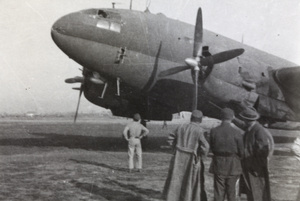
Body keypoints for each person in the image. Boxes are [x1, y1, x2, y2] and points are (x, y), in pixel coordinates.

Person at [162, 110, 210, 201]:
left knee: (176, 178)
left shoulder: (180, 127)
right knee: (189, 180)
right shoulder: (200, 131)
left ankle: (173, 197)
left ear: (191, 118)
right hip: (191, 158)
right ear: (200, 120)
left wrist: (175, 149)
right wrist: (202, 157)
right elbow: (206, 147)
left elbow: (170, 138)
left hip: (178, 157)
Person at [209, 108, 244, 201]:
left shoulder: (214, 131)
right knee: (232, 192)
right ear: (232, 117)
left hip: (218, 164)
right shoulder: (237, 132)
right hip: (233, 165)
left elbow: (211, 148)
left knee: (218, 192)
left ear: (221, 117)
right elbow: (242, 152)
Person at [238, 108, 272, 201]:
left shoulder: (258, 130)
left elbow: (263, 151)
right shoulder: (251, 128)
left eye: (244, 119)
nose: (243, 121)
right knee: (251, 192)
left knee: (257, 192)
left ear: (247, 120)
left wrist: (256, 167)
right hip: (249, 167)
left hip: (255, 169)